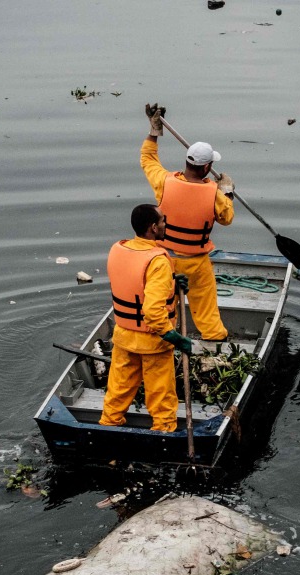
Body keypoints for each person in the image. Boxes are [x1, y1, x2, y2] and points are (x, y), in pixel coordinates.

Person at [141, 103, 235, 342]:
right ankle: (214, 337)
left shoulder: (164, 182)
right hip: (195, 263)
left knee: (163, 301)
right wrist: (227, 192)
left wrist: (154, 132)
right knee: (205, 304)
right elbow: (226, 219)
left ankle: (163, 336)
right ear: (207, 167)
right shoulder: (214, 193)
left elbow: (148, 159)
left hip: (164, 259)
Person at [99, 204, 193, 433]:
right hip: (153, 342)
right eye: (163, 221)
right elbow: (152, 311)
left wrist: (172, 282)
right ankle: (162, 434)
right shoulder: (158, 261)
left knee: (117, 392)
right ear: (153, 227)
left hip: (124, 336)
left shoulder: (118, 249)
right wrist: (173, 337)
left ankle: (107, 430)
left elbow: (135, 283)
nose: (165, 224)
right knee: (161, 398)